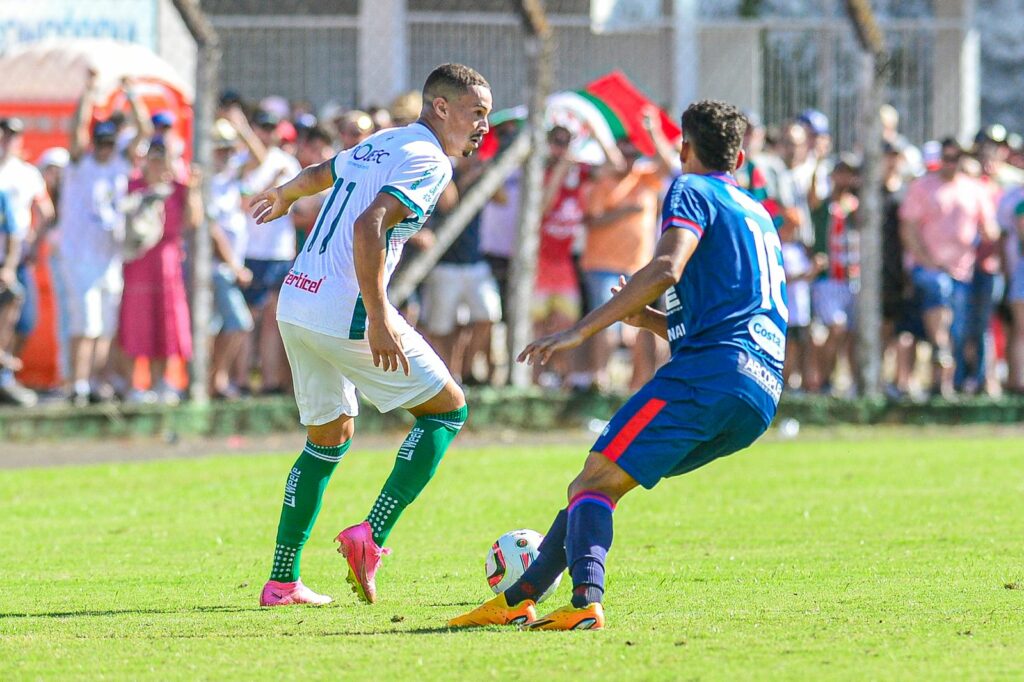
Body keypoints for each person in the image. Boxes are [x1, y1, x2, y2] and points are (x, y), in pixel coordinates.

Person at [450, 100, 787, 630]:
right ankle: (520, 596)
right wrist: (649, 320)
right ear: (740, 156)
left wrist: (583, 328)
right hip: (759, 392)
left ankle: (585, 601)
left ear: (684, 147)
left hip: (710, 373)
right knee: (600, 480)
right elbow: (725, 313)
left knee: (592, 481)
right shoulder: (757, 214)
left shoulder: (692, 188)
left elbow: (667, 266)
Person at [249, 63, 491, 608]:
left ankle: (282, 581)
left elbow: (324, 171)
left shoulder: (387, 141)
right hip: (346, 308)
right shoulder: (429, 160)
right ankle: (371, 536)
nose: (482, 127)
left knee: (326, 439)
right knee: (448, 411)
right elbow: (368, 225)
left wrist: (287, 193)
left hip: (298, 297)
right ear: (441, 108)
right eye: (476, 114)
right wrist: (380, 318)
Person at [60, 70, 151, 406]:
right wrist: (89, 91)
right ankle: (78, 384)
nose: (104, 149)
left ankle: (96, 383)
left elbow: (145, 130)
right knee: (86, 323)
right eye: (100, 142)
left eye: (109, 143)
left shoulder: (121, 165)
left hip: (109, 256)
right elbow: (77, 128)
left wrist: (130, 92)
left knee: (105, 327)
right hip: (80, 255)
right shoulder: (80, 165)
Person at [899, 138, 998, 398]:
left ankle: (945, 381)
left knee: (960, 328)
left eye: (957, 158)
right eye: (948, 157)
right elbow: (908, 229)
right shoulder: (923, 187)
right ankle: (940, 353)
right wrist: (927, 260)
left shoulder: (975, 189)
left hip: (962, 272)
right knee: (937, 292)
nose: (951, 163)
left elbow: (989, 230)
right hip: (927, 269)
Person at [117, 139, 201, 404]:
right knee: (136, 322)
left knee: (165, 322)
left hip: (168, 265)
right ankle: (133, 386)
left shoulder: (178, 189)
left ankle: (160, 383)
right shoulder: (133, 187)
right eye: (154, 158)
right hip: (139, 264)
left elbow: (194, 221)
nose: (159, 164)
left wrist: (194, 189)